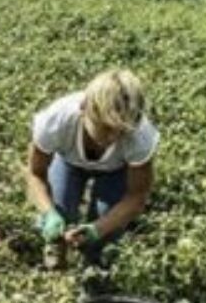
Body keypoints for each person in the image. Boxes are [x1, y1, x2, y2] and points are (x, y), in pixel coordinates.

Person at [25, 70, 159, 271]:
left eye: (120, 131)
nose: (112, 137)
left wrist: (99, 229)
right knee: (61, 211)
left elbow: (137, 196)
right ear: (84, 109)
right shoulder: (57, 120)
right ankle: (56, 257)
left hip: (116, 171)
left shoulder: (139, 136)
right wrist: (49, 213)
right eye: (105, 127)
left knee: (107, 225)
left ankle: (95, 266)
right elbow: (35, 174)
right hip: (69, 162)